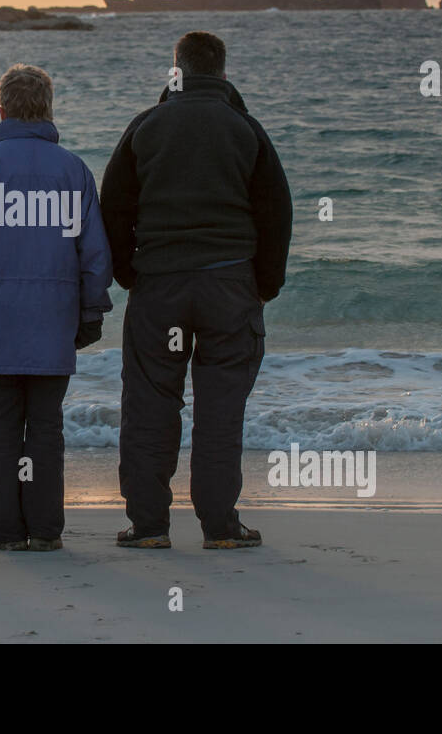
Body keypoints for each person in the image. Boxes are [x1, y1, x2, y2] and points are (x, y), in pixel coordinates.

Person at [100, 31, 292, 549]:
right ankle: (220, 526)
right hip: (230, 284)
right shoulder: (245, 128)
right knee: (220, 410)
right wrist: (264, 284)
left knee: (148, 407)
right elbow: (276, 212)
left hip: (159, 286)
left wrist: (128, 274)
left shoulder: (146, 126)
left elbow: (112, 207)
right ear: (224, 74)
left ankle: (147, 527)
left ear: (176, 72)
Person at [0, 64, 113, 551]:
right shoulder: (73, 170)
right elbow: (94, 253)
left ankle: (6, 530)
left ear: (1, 110)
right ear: (49, 110)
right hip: (52, 324)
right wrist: (92, 312)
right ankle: (45, 528)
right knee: (45, 431)